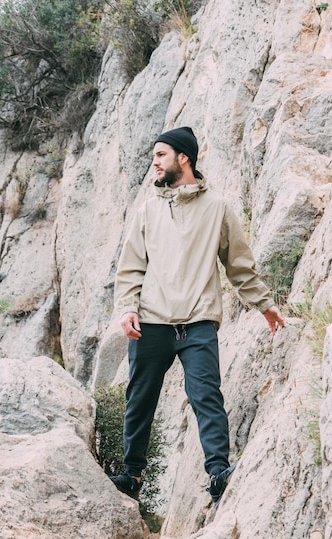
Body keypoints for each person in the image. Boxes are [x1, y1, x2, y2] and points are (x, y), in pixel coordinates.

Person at [111, 126, 285, 503]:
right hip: (152, 322)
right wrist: (127, 307)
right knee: (140, 398)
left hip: (199, 323)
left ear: (183, 158)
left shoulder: (218, 209)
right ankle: (132, 476)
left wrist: (264, 304)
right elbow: (130, 268)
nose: (154, 163)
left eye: (160, 155)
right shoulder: (148, 209)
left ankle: (218, 473)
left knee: (206, 396)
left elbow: (239, 265)